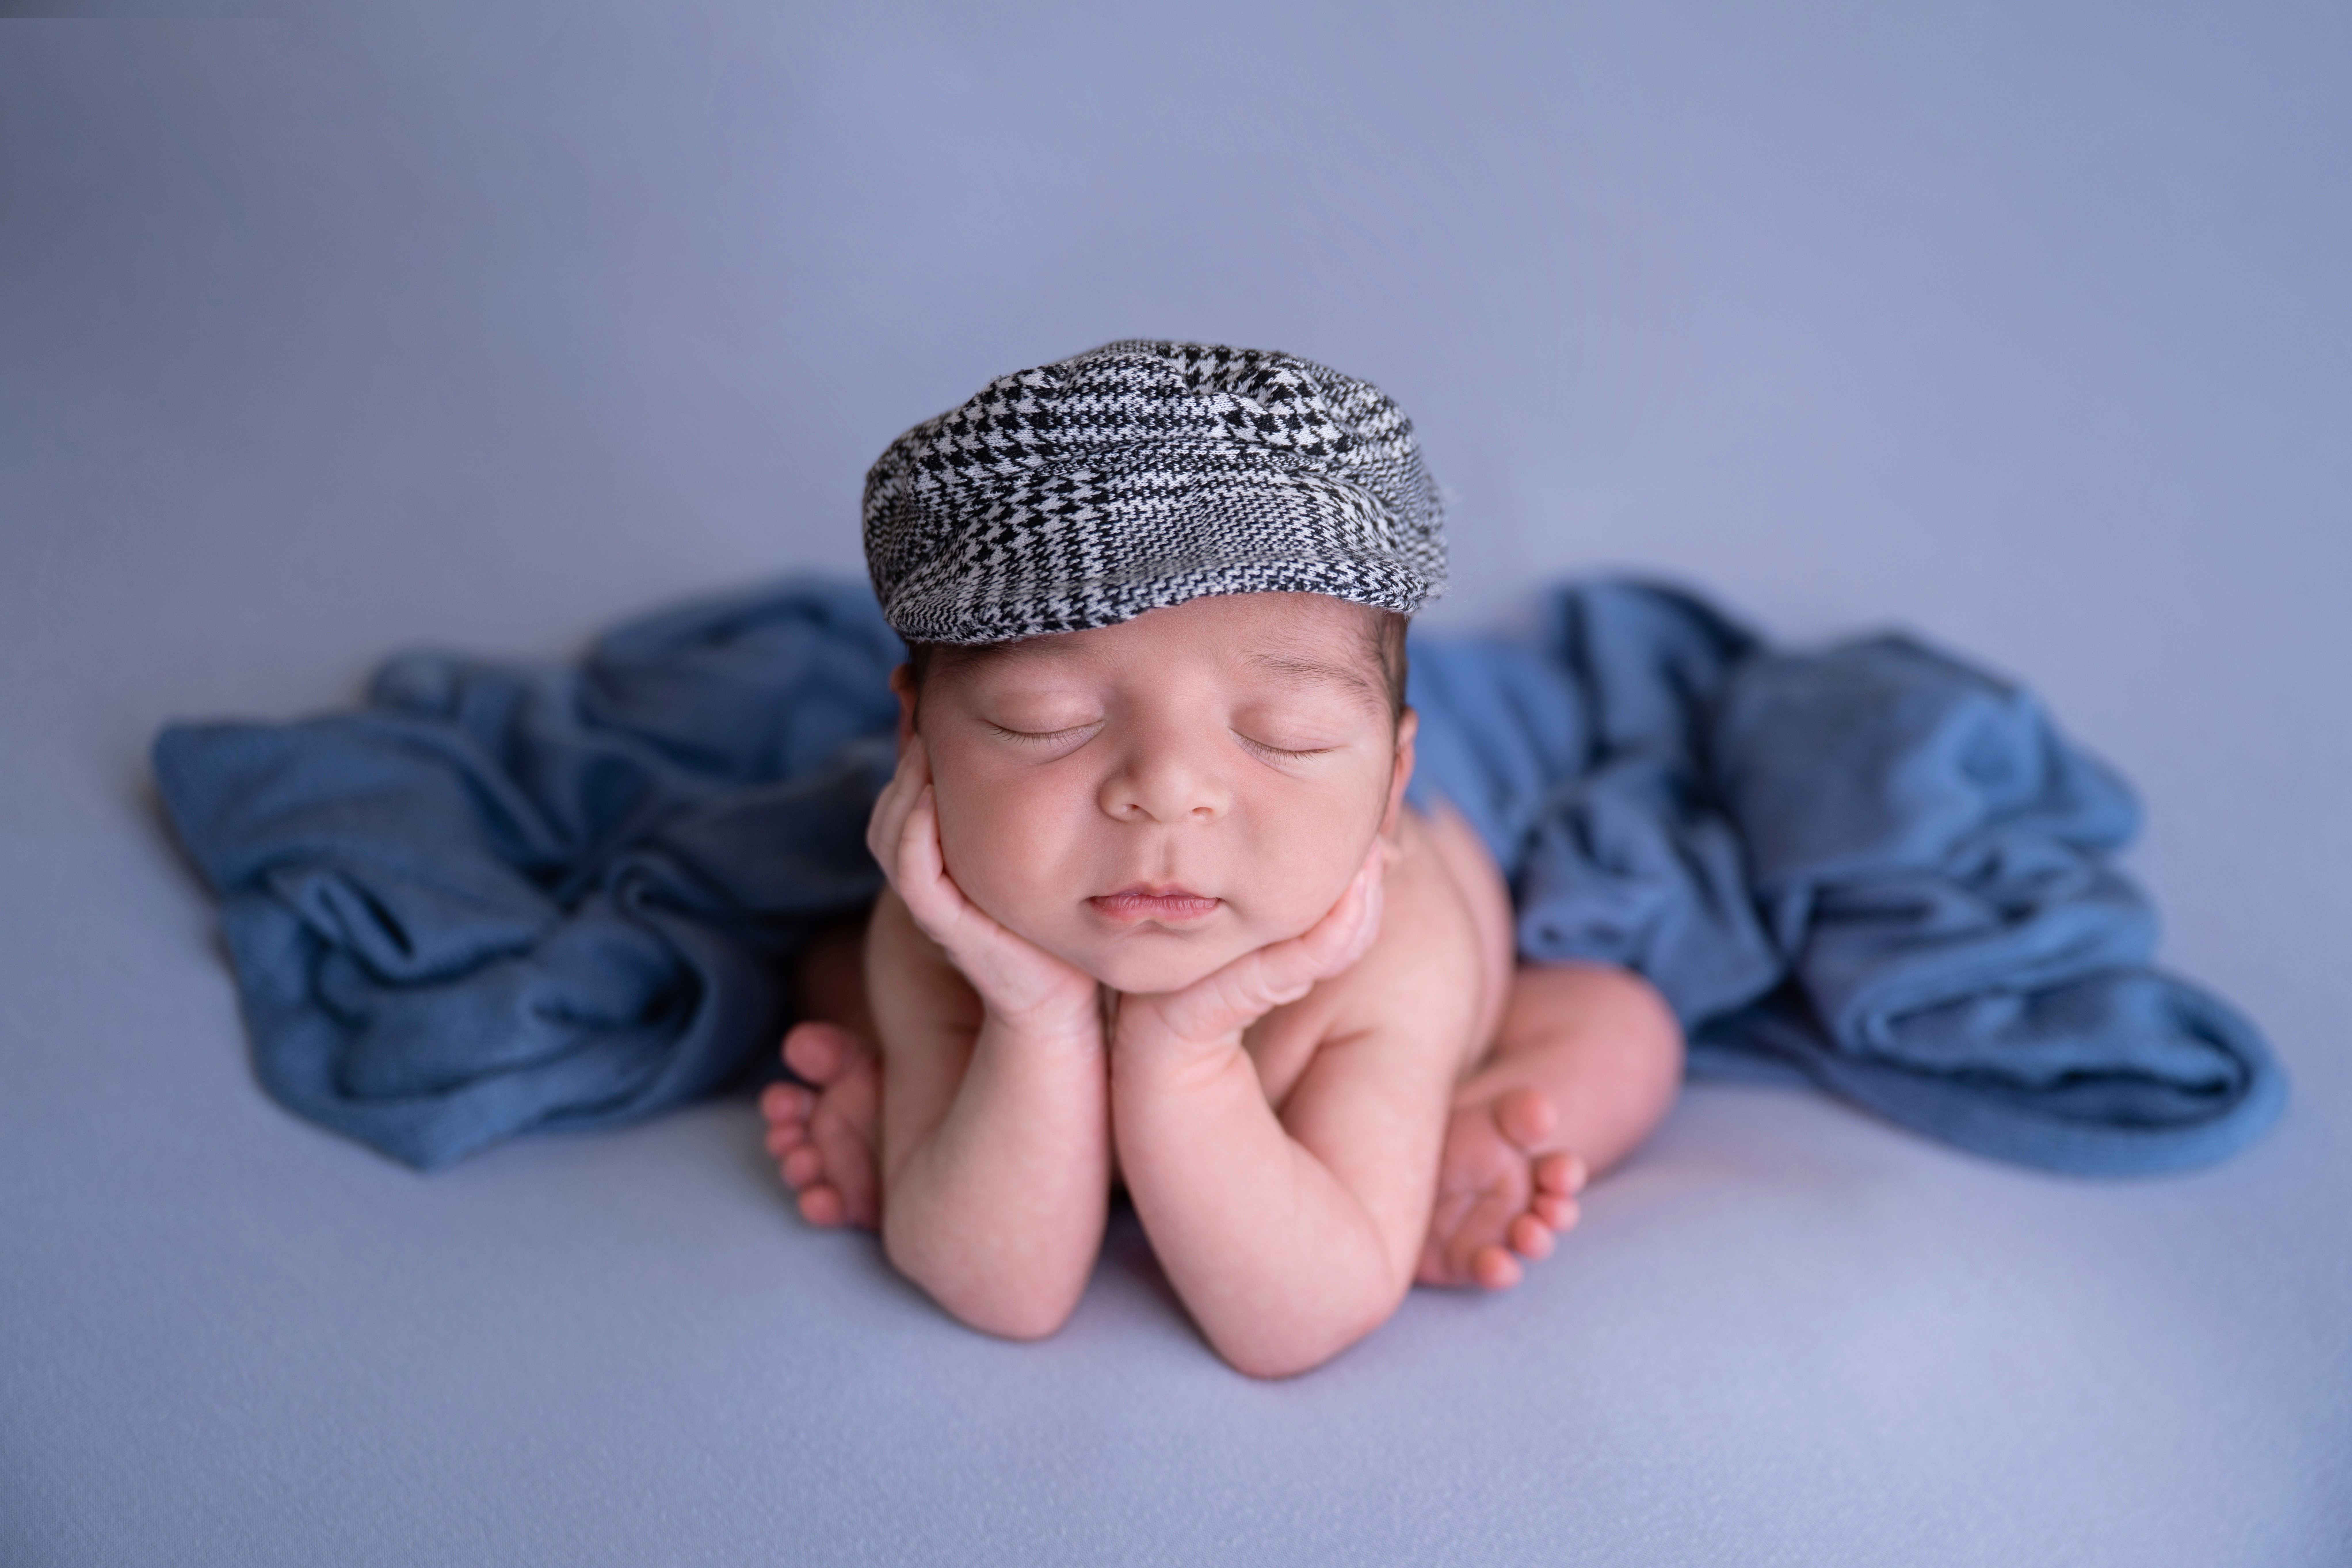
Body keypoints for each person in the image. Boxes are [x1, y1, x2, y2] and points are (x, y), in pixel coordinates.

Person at [762, 342, 1683, 1378]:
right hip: (1005, 961)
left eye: (1285, 735)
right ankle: (946, 1113)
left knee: (1623, 1033)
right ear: (917, 746)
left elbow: (1299, 1321)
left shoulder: (1391, 956)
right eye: (1045, 719)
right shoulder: (947, 929)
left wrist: (1184, 1050)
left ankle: (1453, 1134)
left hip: (1456, 952)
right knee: (822, 965)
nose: (1165, 789)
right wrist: (1031, 1012)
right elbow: (1007, 1291)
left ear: (1387, 786)